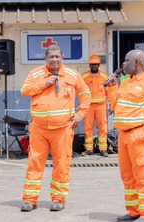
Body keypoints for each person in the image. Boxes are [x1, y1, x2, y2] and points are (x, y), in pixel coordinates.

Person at [20, 45, 91, 212]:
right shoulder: (35, 74)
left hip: (62, 129)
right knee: (34, 163)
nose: (54, 59)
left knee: (61, 164)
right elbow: (24, 90)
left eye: (57, 56)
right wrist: (43, 83)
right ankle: (30, 200)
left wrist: (80, 114)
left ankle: (58, 199)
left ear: (62, 58)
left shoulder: (72, 74)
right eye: (51, 56)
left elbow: (86, 94)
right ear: (45, 58)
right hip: (39, 129)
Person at [106, 49, 144, 222]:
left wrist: (141, 134)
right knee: (128, 177)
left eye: (127, 61)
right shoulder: (125, 82)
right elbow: (117, 105)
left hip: (140, 136)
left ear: (138, 62)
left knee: (143, 176)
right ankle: (134, 211)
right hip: (124, 136)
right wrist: (112, 86)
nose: (123, 64)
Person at [81, 55, 109, 157]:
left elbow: (109, 92)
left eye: (95, 64)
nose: (93, 66)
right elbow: (79, 91)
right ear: (89, 65)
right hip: (88, 107)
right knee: (88, 127)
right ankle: (89, 148)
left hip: (101, 106)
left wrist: (110, 105)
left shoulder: (105, 77)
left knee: (103, 127)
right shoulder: (83, 77)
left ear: (98, 65)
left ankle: (103, 149)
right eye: (92, 64)